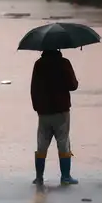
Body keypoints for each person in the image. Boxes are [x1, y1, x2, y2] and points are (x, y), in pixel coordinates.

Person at [30, 48, 79, 185]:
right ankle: (65, 177)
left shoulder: (38, 64)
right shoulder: (64, 63)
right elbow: (73, 85)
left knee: (42, 144)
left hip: (44, 112)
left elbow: (33, 88)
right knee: (63, 143)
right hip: (61, 111)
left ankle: (39, 177)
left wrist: (37, 108)